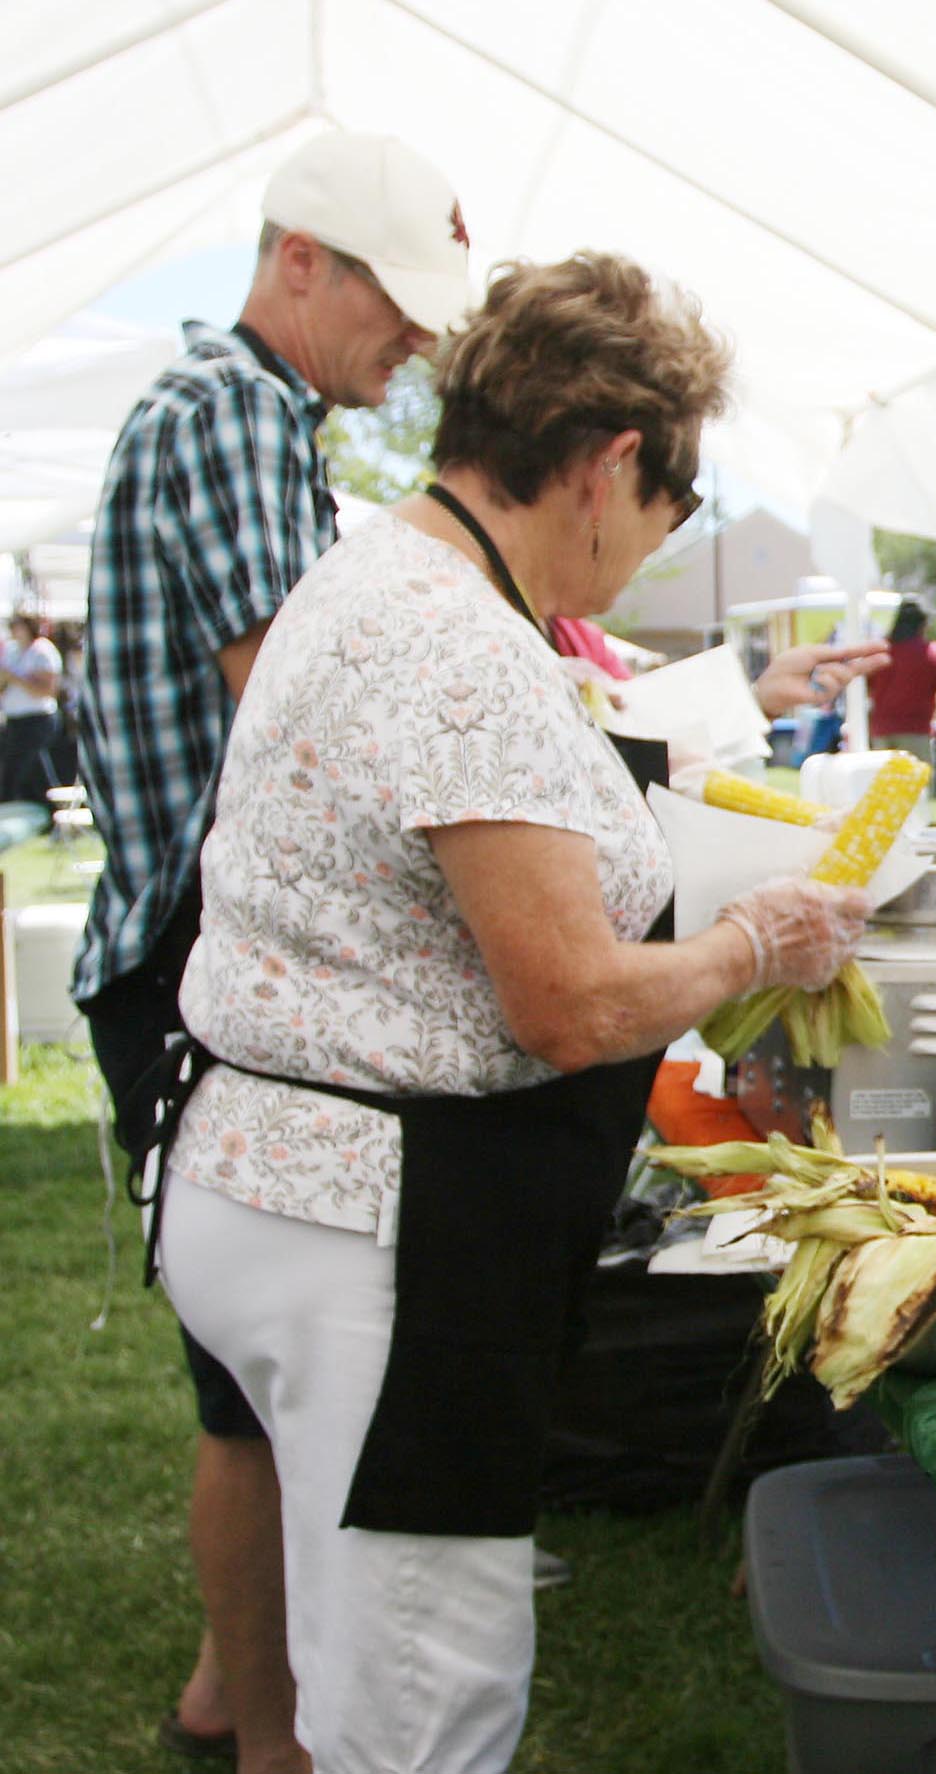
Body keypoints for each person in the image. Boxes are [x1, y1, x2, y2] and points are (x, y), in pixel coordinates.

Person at [146, 250, 870, 1771]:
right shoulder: (456, 644)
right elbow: (566, 1003)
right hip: (380, 1219)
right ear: (611, 465)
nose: (647, 560)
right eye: (667, 516)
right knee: (427, 1687)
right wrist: (754, 939)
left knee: (364, 1641)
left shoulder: (390, 571)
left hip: (270, 1168)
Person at [73, 128, 468, 1773]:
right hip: (199, 957)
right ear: (298, 259)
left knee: (264, 1368)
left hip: (183, 942)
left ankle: (232, 1690)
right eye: (398, 299)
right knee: (257, 1385)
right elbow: (299, 703)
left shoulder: (248, 413)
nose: (417, 341)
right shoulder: (232, 410)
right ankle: (272, 1735)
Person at [866, 598, 936, 763]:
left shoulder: (880, 650)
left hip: (881, 730)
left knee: (884, 784)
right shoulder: (931, 654)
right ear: (923, 624)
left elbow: (867, 685)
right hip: (915, 731)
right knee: (917, 785)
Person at [1, 612, 62, 804]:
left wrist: (14, 678)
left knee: (15, 769)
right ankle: (50, 809)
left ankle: (8, 804)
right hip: (14, 719)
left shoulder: (42, 651)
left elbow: (47, 691)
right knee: (36, 772)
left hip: (38, 719)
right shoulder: (11, 650)